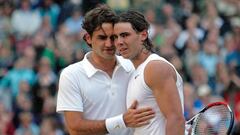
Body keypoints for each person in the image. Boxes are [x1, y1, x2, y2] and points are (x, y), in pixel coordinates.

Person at [56, 5, 155, 135]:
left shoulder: (132, 67)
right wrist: (122, 121)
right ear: (88, 38)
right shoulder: (71, 75)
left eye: (113, 37)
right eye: (102, 38)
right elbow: (74, 128)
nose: (109, 44)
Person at [113, 10, 185, 135]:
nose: (119, 42)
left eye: (125, 35)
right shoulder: (136, 72)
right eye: (116, 37)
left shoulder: (155, 68)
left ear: (143, 35)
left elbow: (176, 119)